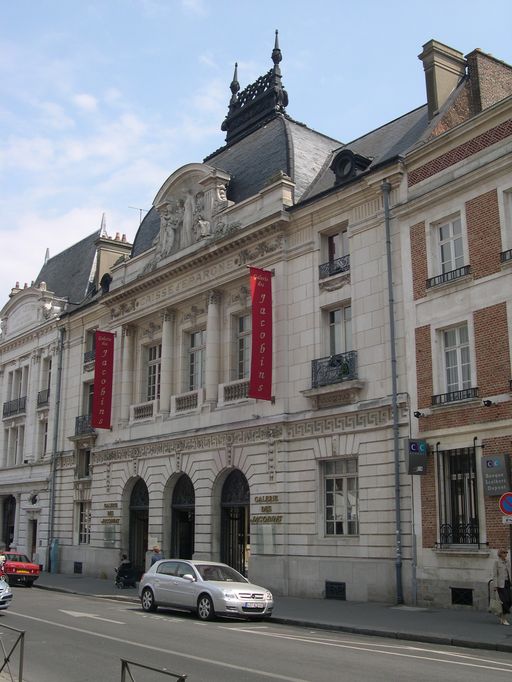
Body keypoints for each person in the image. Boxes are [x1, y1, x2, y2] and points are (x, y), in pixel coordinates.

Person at [493, 548, 511, 625]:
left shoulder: (508, 562)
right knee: (505, 601)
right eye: (504, 553)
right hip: (501, 585)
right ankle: (503, 619)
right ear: (500, 554)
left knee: (510, 600)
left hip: (508, 583)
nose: (505, 554)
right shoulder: (496, 562)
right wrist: (495, 585)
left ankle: (501, 615)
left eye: (506, 553)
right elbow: (495, 575)